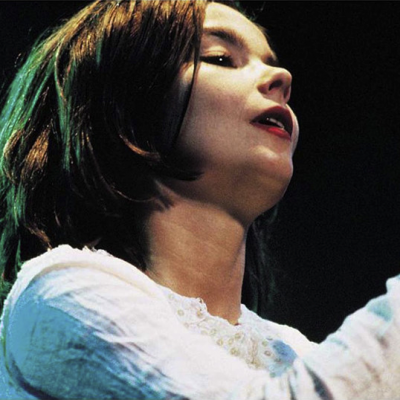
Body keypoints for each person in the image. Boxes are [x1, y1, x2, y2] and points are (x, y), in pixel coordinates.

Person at [0, 0, 399, 399]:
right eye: (221, 58)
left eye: (270, 62)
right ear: (122, 106)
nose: (282, 77)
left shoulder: (294, 351)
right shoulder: (61, 296)